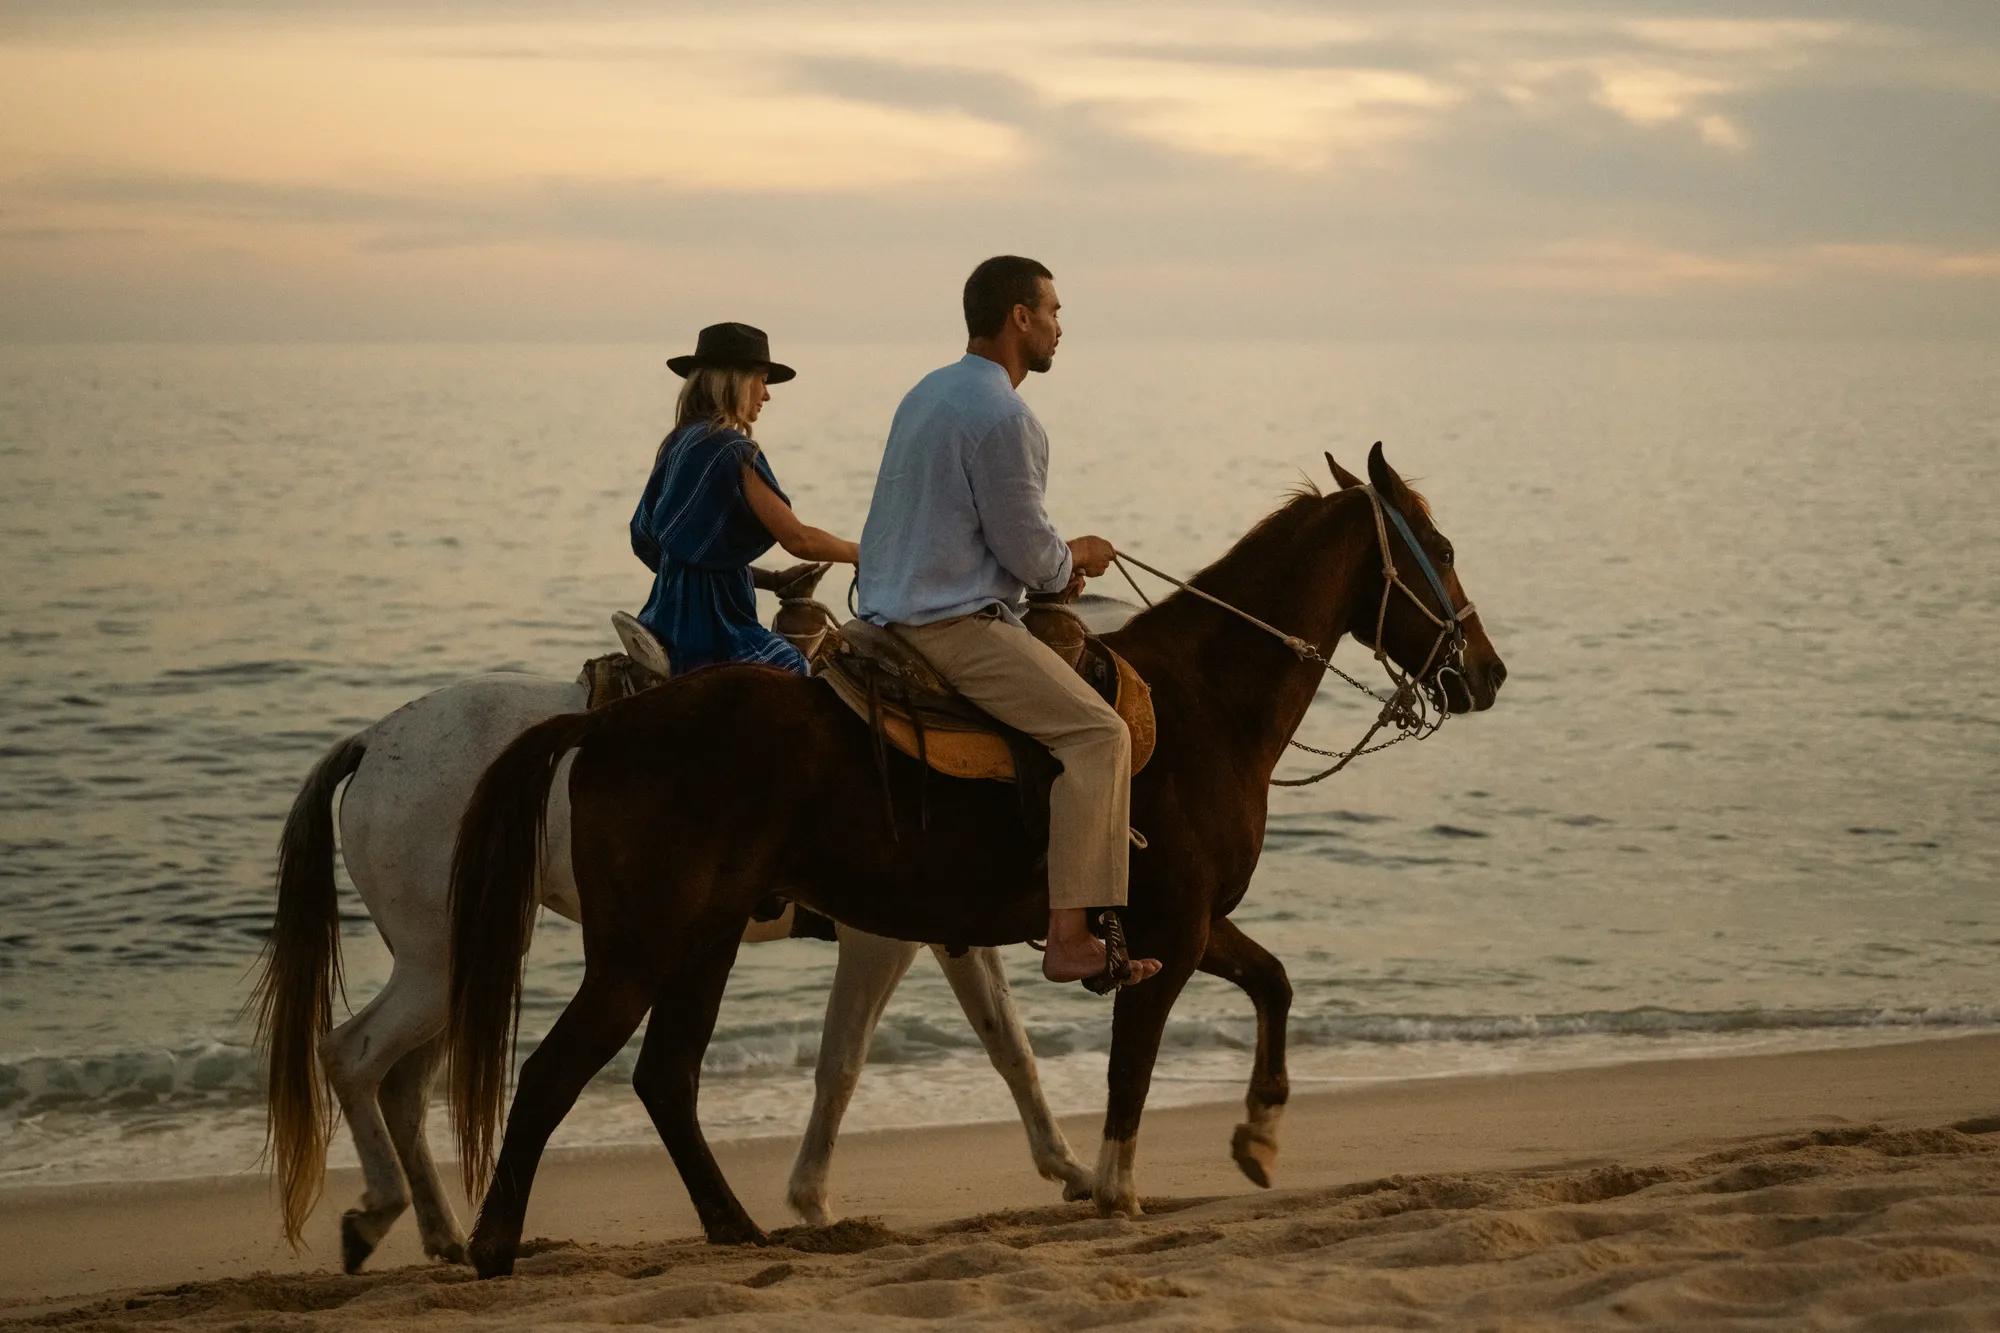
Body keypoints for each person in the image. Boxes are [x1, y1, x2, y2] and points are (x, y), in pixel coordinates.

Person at [857, 258, 1161, 990]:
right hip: (950, 625)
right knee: (1099, 734)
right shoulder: (1006, 416)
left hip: (883, 616)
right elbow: (1030, 552)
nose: (1061, 326)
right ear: (1019, 317)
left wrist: (1050, 561)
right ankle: (1070, 937)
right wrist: (1075, 558)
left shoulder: (925, 393)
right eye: (1054, 311)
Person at [631, 322, 858, 675]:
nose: (766, 394)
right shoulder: (732, 452)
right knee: (802, 674)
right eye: (761, 379)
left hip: (662, 620)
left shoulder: (678, 444)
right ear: (733, 381)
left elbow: (673, 554)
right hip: (714, 632)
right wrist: (863, 553)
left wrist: (775, 581)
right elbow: (799, 539)